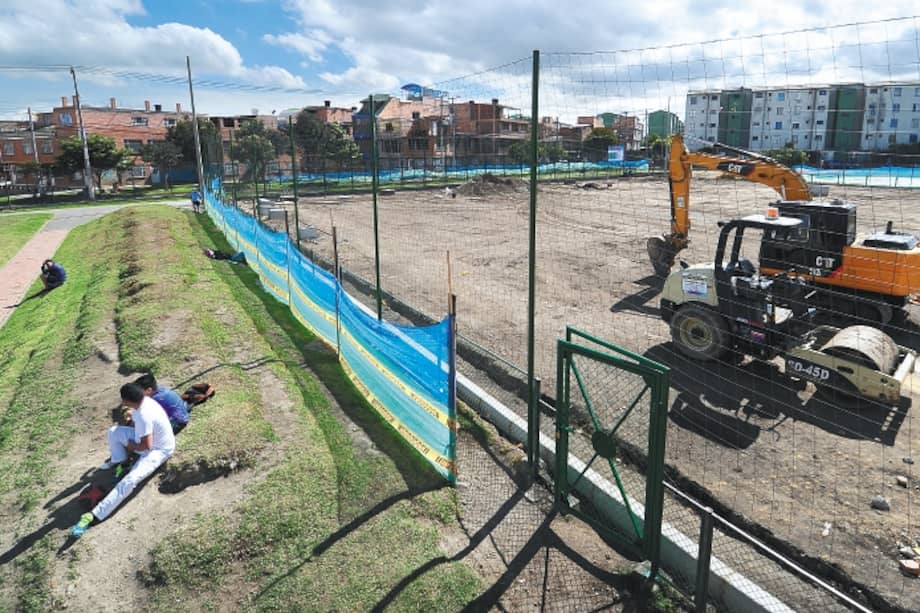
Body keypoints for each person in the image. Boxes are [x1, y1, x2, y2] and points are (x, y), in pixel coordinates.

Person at [71, 383, 176, 537]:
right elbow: (140, 427)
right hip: (152, 440)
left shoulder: (144, 415)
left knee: (129, 480)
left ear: (127, 401)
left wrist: (131, 446)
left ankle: (95, 515)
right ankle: (119, 460)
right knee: (114, 432)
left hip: (158, 450)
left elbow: (146, 446)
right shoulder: (145, 401)